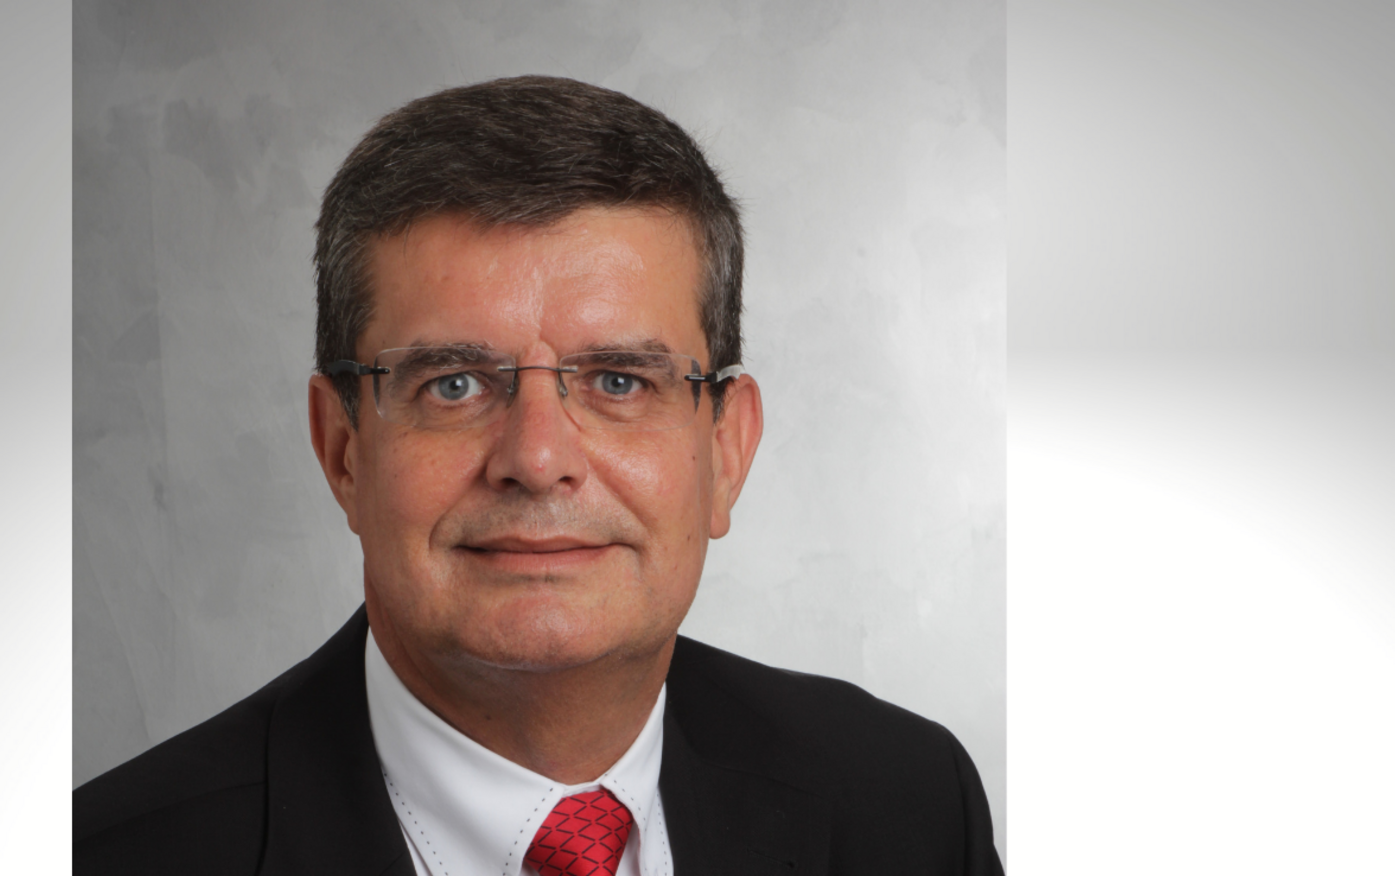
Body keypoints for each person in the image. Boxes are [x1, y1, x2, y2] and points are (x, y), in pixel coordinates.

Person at [73, 75, 1003, 876]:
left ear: (726, 450)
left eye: (618, 381)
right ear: (343, 448)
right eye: (454, 384)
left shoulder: (907, 806)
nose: (538, 459)